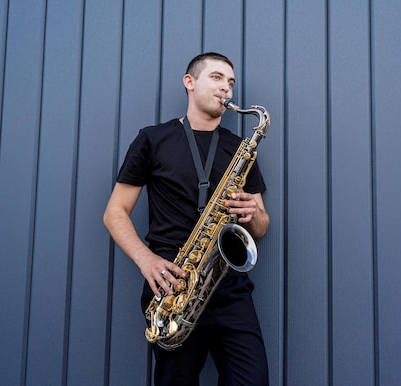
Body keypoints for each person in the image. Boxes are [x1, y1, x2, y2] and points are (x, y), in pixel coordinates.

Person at [103, 52, 270, 386]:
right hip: (172, 284)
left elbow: (261, 227)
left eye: (231, 82)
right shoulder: (152, 139)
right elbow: (114, 212)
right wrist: (146, 260)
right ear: (189, 82)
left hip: (229, 287)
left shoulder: (241, 149)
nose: (227, 88)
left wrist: (254, 214)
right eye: (217, 77)